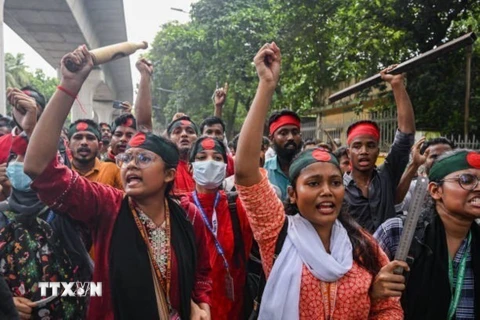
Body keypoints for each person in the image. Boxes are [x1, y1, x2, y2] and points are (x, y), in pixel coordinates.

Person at [24, 45, 212, 320]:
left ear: (169, 174)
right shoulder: (108, 206)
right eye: (127, 158)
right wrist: (69, 85)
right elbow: (38, 168)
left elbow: (201, 273)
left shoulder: (187, 215)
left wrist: (200, 305)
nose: (132, 164)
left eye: (144, 159)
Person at [234, 41, 402, 319]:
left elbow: (388, 307)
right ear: (292, 194)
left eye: (335, 182)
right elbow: (245, 173)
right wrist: (266, 86)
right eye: (313, 184)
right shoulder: (277, 232)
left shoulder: (364, 246)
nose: (327, 191)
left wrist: (375, 297)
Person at [0, 95, 88, 319]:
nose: (22, 163)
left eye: (29, 156)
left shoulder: (66, 215)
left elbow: (91, 285)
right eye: (16, 157)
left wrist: (49, 298)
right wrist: (6, 303)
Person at [373, 149, 480, 319]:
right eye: (467, 180)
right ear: (435, 190)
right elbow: (351, 293)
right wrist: (373, 289)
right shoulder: (398, 233)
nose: (478, 187)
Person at [344, 66, 415, 233]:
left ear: (378, 151)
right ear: (348, 153)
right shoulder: (338, 187)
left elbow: (405, 135)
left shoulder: (387, 176)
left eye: (370, 145)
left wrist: (397, 84)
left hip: (389, 258)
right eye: (357, 146)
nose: (363, 151)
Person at [188, 136, 253, 319]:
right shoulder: (180, 208)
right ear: (190, 168)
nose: (209, 163)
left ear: (226, 168)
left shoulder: (238, 206)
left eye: (217, 158)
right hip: (194, 309)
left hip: (232, 307)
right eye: (201, 158)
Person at [395, 136, 455, 214]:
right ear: (424, 160)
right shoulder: (414, 187)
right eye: (434, 156)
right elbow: (397, 205)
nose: (440, 160)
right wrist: (414, 165)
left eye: (446, 156)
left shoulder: (462, 187)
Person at [68, 119, 122, 190]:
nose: (84, 142)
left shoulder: (113, 170)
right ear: (68, 145)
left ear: (99, 146)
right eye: (78, 138)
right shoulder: (62, 172)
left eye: (90, 138)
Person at [264, 109, 303, 200]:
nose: (290, 138)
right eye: (283, 133)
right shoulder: (264, 172)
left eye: (295, 132)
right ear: (271, 138)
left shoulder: (311, 168)